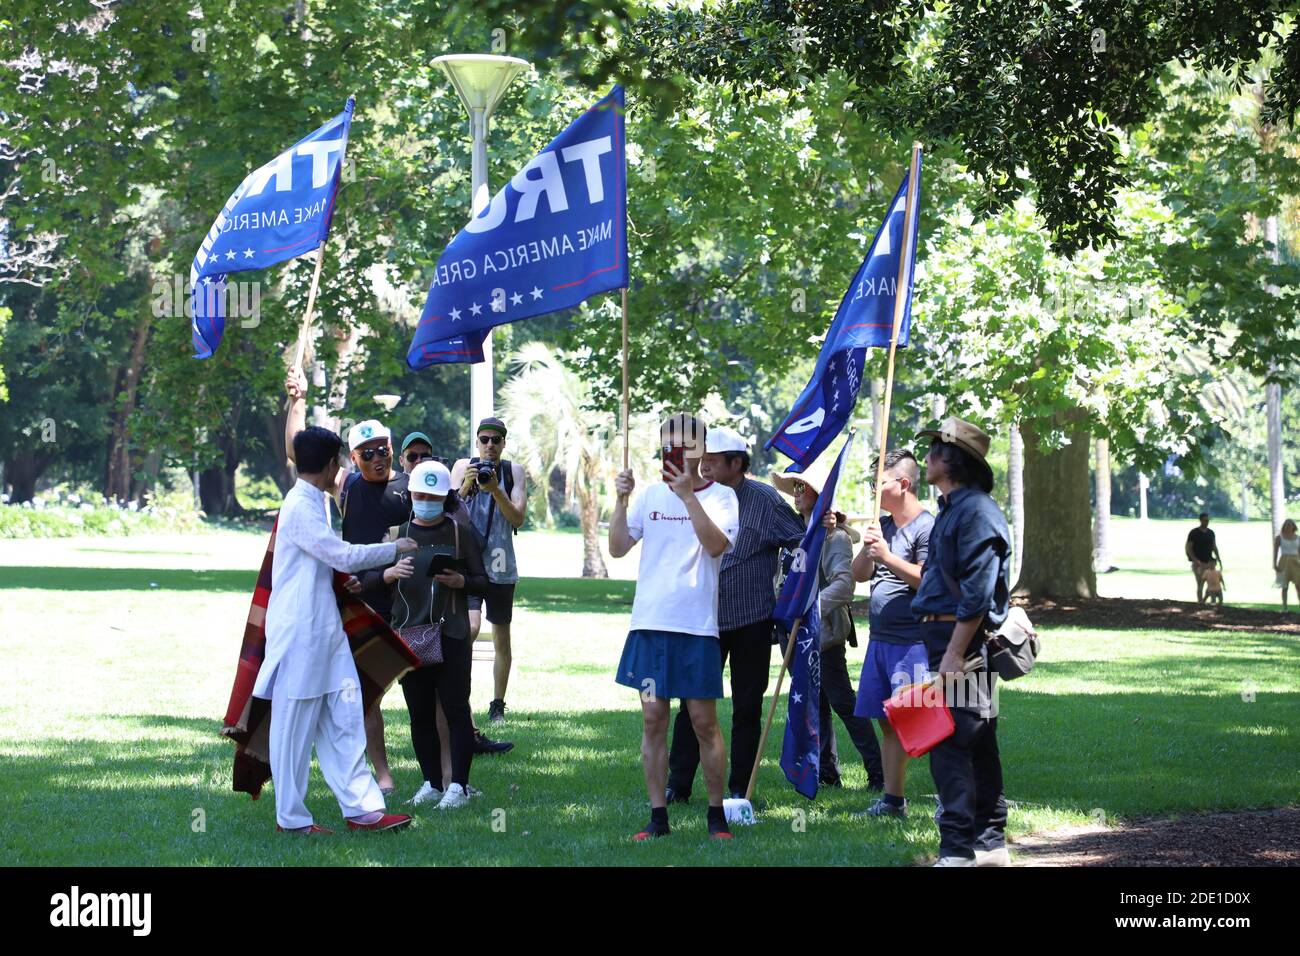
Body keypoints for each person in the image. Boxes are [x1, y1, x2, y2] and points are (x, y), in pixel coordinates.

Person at [255, 425, 419, 833]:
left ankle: (363, 810)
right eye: (341, 461)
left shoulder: (315, 501)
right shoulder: (299, 505)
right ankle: (291, 819)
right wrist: (393, 547)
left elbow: (325, 562)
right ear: (331, 465)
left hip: (326, 630)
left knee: (345, 717)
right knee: (293, 727)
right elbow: (339, 554)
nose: (342, 467)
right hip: (298, 633)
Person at [609, 413, 740, 840]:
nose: (675, 451)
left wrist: (687, 497)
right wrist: (621, 501)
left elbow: (717, 545)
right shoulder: (648, 496)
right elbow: (617, 548)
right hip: (650, 626)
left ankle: (716, 815)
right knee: (652, 718)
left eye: (683, 443)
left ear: (701, 449)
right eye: (668, 443)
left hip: (696, 628)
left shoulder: (722, 497)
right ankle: (658, 816)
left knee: (703, 720)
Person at [664, 426, 806, 803]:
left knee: (747, 706)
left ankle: (740, 787)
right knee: (691, 706)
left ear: (736, 463)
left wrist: (794, 593)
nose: (704, 467)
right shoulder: (692, 495)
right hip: (703, 619)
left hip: (752, 622)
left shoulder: (766, 501)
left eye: (712, 461)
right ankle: (677, 785)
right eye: (703, 460)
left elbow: (802, 543)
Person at [285, 366, 407, 795]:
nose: (377, 458)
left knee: (427, 692)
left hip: (411, 604)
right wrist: (297, 402)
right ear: (351, 459)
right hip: (364, 601)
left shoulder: (413, 486)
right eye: (366, 452)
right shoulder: (345, 487)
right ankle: (383, 775)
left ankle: (447, 778)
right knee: (366, 695)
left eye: (383, 450)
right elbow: (302, 457)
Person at [910, 417, 1013, 867]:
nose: (926, 458)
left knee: (951, 743)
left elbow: (978, 590)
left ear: (952, 461)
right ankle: (989, 844)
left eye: (933, 451)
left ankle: (957, 852)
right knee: (976, 739)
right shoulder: (955, 508)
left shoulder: (976, 512)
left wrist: (954, 652)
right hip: (947, 636)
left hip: (960, 640)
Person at [380, 460, 489, 810]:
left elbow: (484, 580)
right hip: (409, 634)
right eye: (420, 494)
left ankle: (458, 785)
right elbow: (374, 582)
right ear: (411, 494)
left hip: (451, 632)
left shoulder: (460, 533)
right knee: (420, 713)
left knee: (456, 709)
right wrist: (390, 572)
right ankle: (431, 782)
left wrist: (462, 582)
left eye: (434, 496)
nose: (426, 500)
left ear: (446, 497)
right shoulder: (396, 534)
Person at [772, 462, 883, 793]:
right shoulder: (795, 534)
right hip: (789, 632)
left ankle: (878, 773)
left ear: (820, 496)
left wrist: (809, 611)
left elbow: (844, 585)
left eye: (802, 488)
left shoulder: (834, 538)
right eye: (794, 487)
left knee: (844, 703)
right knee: (812, 702)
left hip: (823, 635)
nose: (796, 493)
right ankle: (826, 772)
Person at [851, 449, 934, 818]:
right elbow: (858, 575)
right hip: (880, 641)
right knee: (886, 721)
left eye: (878, 483)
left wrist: (887, 557)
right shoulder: (882, 526)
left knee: (923, 724)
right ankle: (893, 800)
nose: (873, 491)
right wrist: (869, 552)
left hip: (913, 642)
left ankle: (950, 800)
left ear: (903, 484)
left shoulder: (926, 526)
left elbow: (928, 581)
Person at [451, 417, 527, 723]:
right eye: (484, 440)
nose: (490, 445)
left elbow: (517, 518)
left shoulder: (513, 472)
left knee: (501, 637)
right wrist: (468, 484)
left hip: (501, 563)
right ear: (477, 442)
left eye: (496, 440)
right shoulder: (460, 467)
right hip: (468, 563)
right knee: (467, 629)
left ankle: (497, 704)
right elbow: (448, 511)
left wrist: (496, 489)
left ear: (504, 443)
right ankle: (457, 697)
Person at [1185, 512, 1223, 605]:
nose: (1206, 522)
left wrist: (1218, 558)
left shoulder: (1210, 533)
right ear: (1201, 520)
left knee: (1211, 584)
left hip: (1209, 562)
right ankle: (1200, 602)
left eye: (1208, 520)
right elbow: (1188, 547)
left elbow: (1214, 546)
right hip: (1199, 563)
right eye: (1205, 520)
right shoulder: (1194, 533)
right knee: (1200, 583)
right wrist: (1194, 560)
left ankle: (1205, 601)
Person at [1273, 519, 1300, 610]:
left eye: (1290, 524)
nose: (1288, 526)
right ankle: (1285, 607)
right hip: (1284, 562)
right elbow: (1275, 552)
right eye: (1286, 525)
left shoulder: (1298, 538)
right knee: (1285, 586)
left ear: (1293, 526)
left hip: (1296, 562)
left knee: (1298, 585)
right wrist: (1274, 564)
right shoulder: (1279, 538)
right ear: (1283, 526)